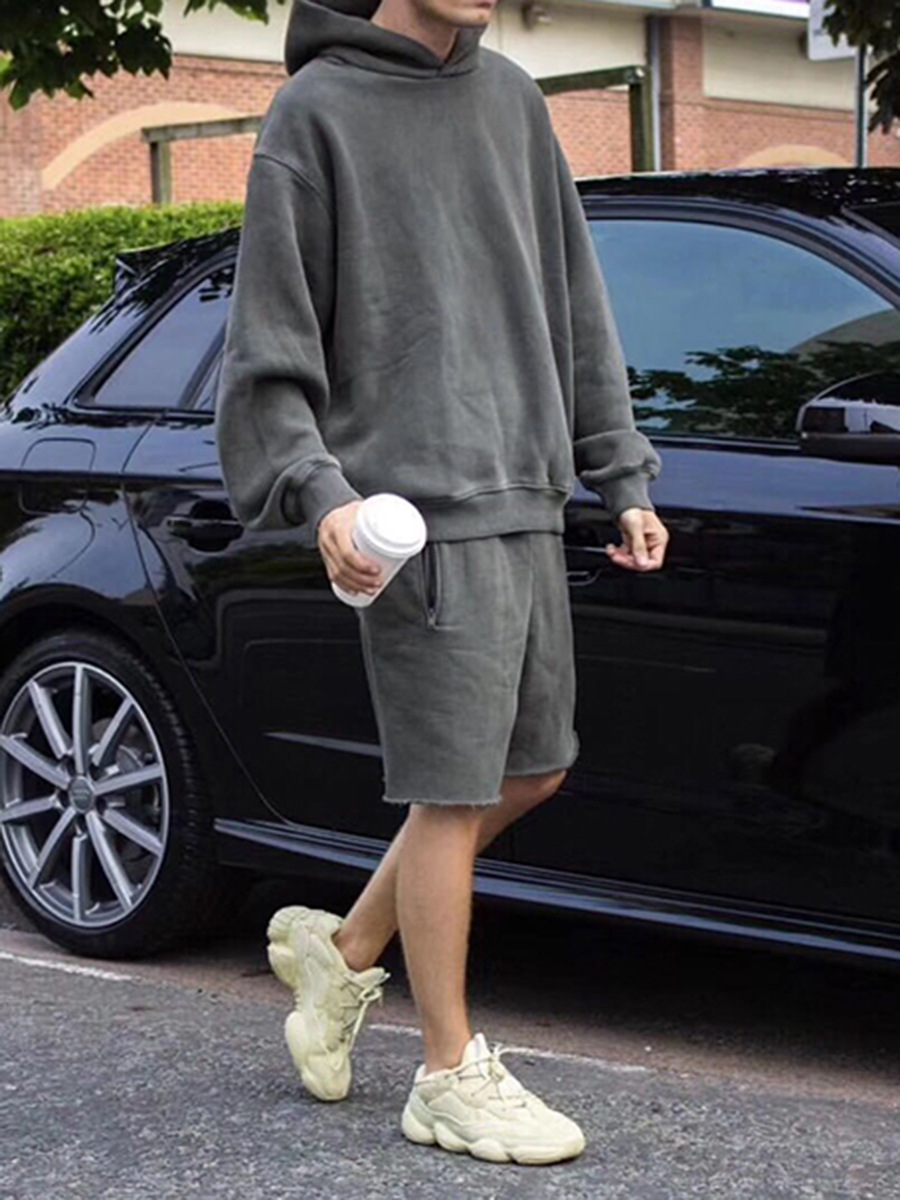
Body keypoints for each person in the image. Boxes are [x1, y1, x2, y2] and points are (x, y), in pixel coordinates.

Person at [215, 0, 669, 1166]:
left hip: (527, 497)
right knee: (453, 791)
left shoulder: (511, 100)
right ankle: (447, 1073)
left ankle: (346, 954)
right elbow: (269, 349)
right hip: (414, 518)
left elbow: (575, 302)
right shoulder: (315, 113)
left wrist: (619, 472)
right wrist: (322, 497)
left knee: (534, 768)